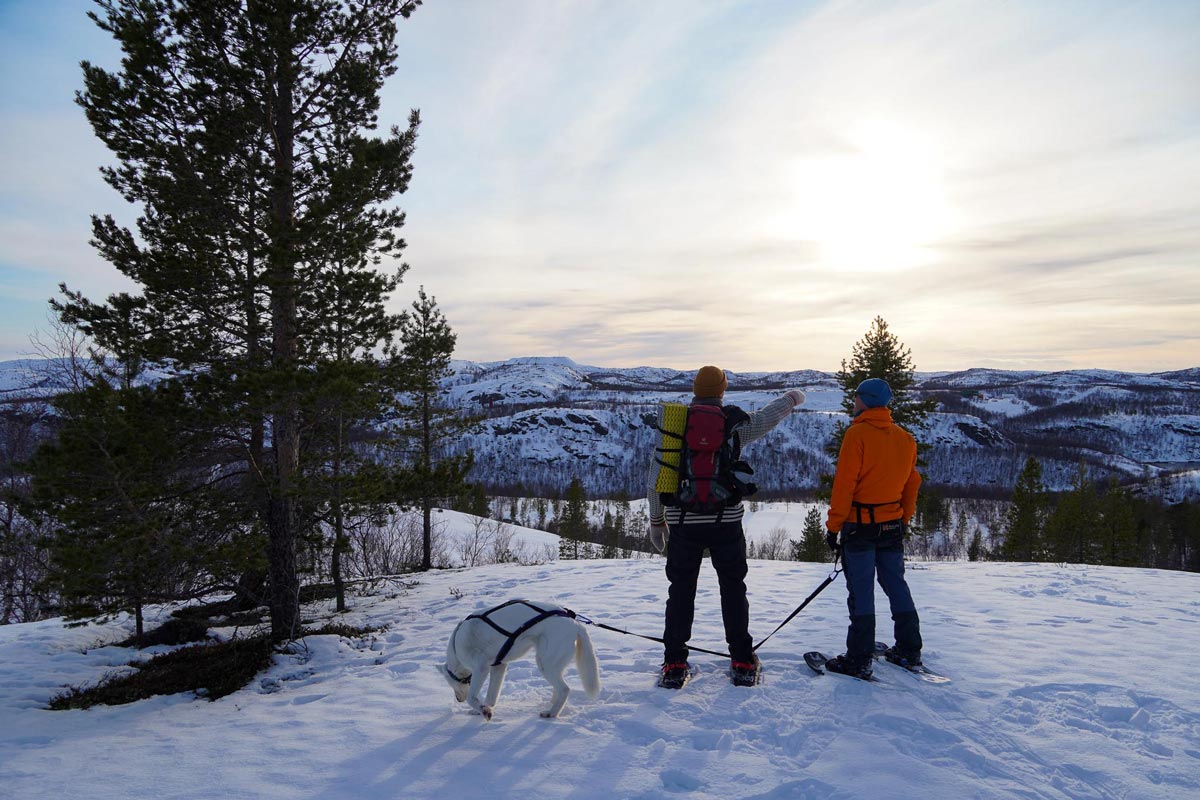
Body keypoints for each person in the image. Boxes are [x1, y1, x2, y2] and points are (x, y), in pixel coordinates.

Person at [648, 365, 805, 688]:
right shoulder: (733, 425)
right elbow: (768, 417)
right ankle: (742, 659)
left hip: (682, 523)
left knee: (680, 592)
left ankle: (675, 662)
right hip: (726, 521)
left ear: (694, 389)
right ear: (722, 390)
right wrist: (792, 398)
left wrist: (656, 520)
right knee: (733, 589)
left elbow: (656, 475)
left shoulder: (675, 425)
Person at [824, 377, 923, 679]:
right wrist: (904, 519)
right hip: (892, 525)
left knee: (862, 590)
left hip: (860, 527)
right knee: (896, 585)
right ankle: (909, 648)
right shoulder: (905, 438)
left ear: (865, 400)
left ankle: (859, 657)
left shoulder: (857, 435)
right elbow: (912, 483)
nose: (853, 401)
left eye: (856, 397)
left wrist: (833, 526)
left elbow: (845, 485)